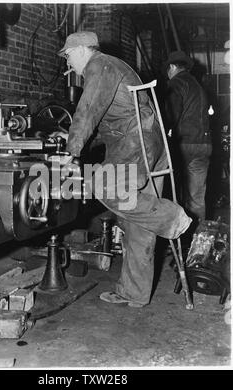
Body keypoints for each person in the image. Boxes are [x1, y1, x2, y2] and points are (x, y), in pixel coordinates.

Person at [58, 31, 192, 307]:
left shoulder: (100, 65)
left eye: (68, 55)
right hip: (150, 143)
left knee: (101, 184)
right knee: (138, 223)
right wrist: (79, 142)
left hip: (136, 142)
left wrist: (71, 151)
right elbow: (106, 121)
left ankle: (172, 218)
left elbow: (87, 111)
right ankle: (135, 293)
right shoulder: (112, 67)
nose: (68, 63)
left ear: (83, 49)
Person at [164, 51, 212, 236]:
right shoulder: (198, 85)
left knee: (176, 194)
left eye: (168, 70)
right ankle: (198, 245)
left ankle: (181, 240)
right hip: (205, 144)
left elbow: (170, 116)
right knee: (197, 197)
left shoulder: (176, 83)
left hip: (186, 145)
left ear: (173, 67)